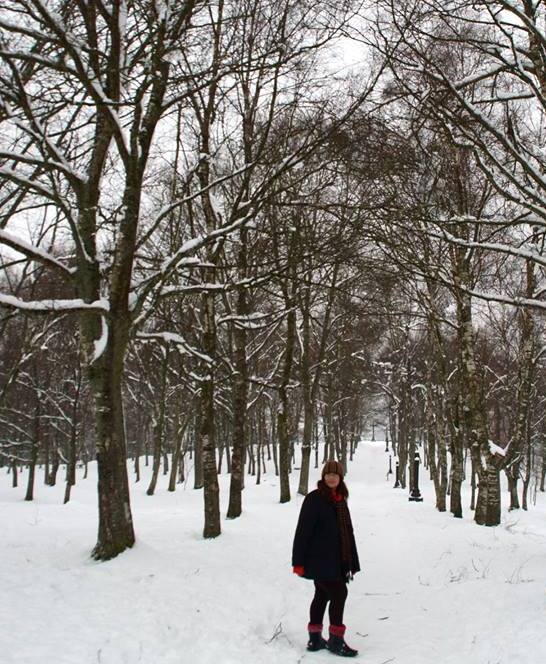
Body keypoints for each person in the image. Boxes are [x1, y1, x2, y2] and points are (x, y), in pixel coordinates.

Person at [292, 459, 360, 657]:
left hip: (336, 560)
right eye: (328, 474)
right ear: (323, 477)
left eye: (335, 475)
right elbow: (302, 531)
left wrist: (352, 562)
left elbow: (348, 532)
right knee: (339, 593)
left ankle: (315, 639)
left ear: (340, 478)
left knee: (321, 595)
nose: (331, 478)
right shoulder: (315, 499)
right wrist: (298, 562)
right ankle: (336, 641)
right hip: (319, 560)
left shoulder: (340, 500)